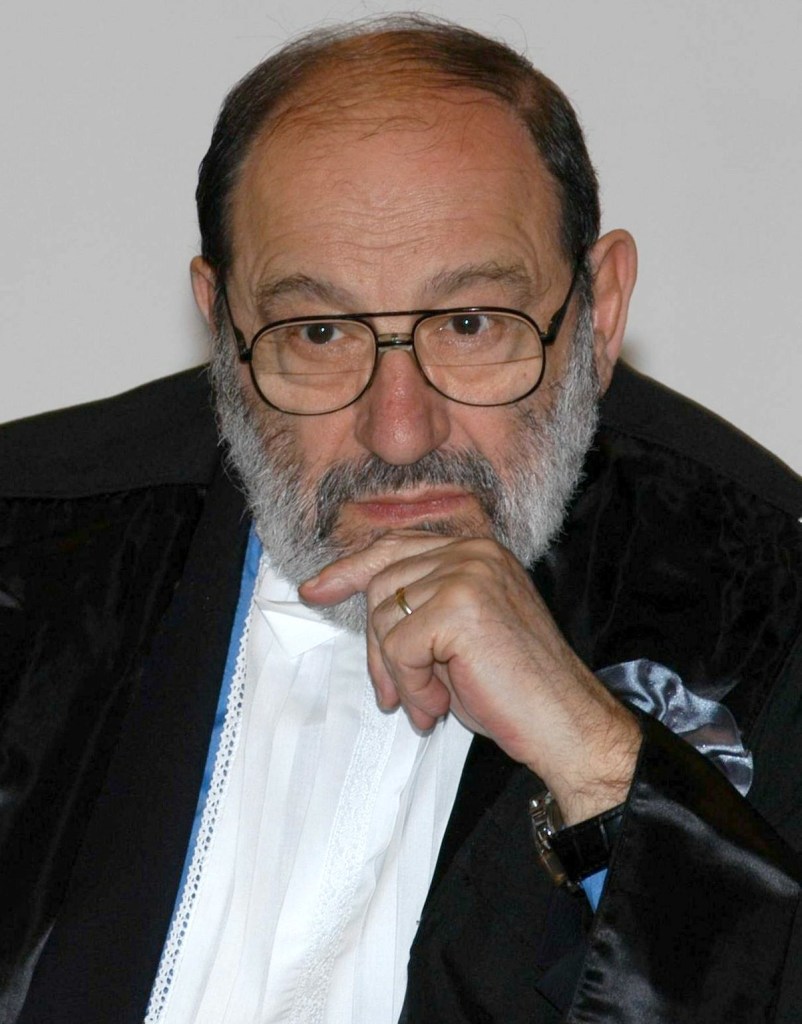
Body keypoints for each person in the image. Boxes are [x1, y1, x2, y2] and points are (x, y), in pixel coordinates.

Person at [1, 15, 801, 1024]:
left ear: (598, 311)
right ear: (220, 320)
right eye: (318, 332)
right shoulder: (27, 545)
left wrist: (602, 762)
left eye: (469, 324)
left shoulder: (764, 600)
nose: (397, 430)